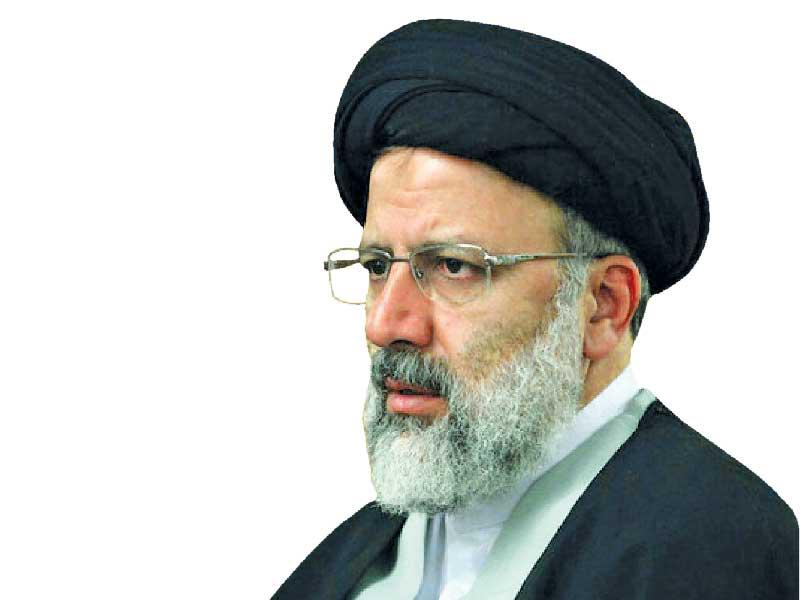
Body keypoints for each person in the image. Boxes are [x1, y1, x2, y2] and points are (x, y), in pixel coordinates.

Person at [273, 19, 797, 599]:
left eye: (453, 267)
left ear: (603, 306)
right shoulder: (335, 573)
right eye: (377, 266)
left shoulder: (714, 552)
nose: (385, 323)